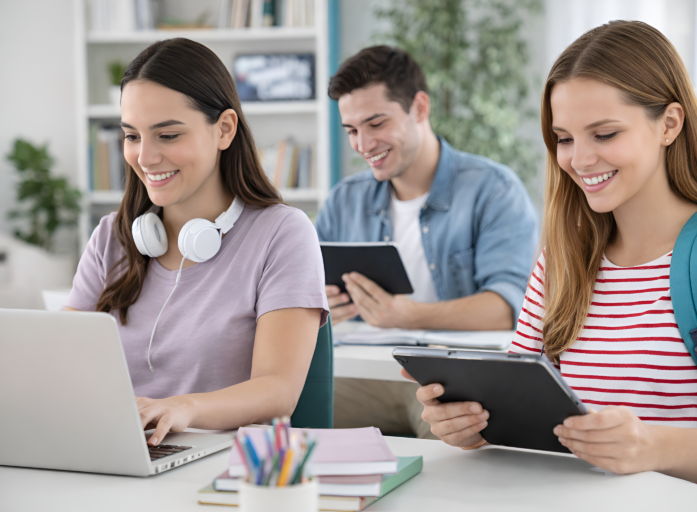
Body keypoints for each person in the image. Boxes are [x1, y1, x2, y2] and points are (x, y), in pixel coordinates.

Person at [411, 20, 697, 494]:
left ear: (669, 123)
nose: (579, 160)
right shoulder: (562, 258)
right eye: (564, 138)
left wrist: (653, 447)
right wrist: (473, 426)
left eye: (603, 134)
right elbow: (525, 408)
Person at [64, 38, 329, 447]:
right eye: (131, 136)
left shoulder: (283, 233)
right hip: (117, 454)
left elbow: (279, 389)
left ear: (224, 129)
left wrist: (184, 408)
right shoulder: (112, 238)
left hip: (227, 464)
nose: (145, 157)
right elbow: (58, 361)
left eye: (167, 135)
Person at [317, 45, 538, 437]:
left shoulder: (494, 190)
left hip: (450, 382)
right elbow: (306, 293)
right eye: (352, 130)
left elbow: (509, 308)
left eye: (376, 124)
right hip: (363, 371)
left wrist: (407, 315)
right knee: (287, 422)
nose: (363, 145)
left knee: (456, 458)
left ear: (419, 108)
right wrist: (323, 303)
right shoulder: (344, 200)